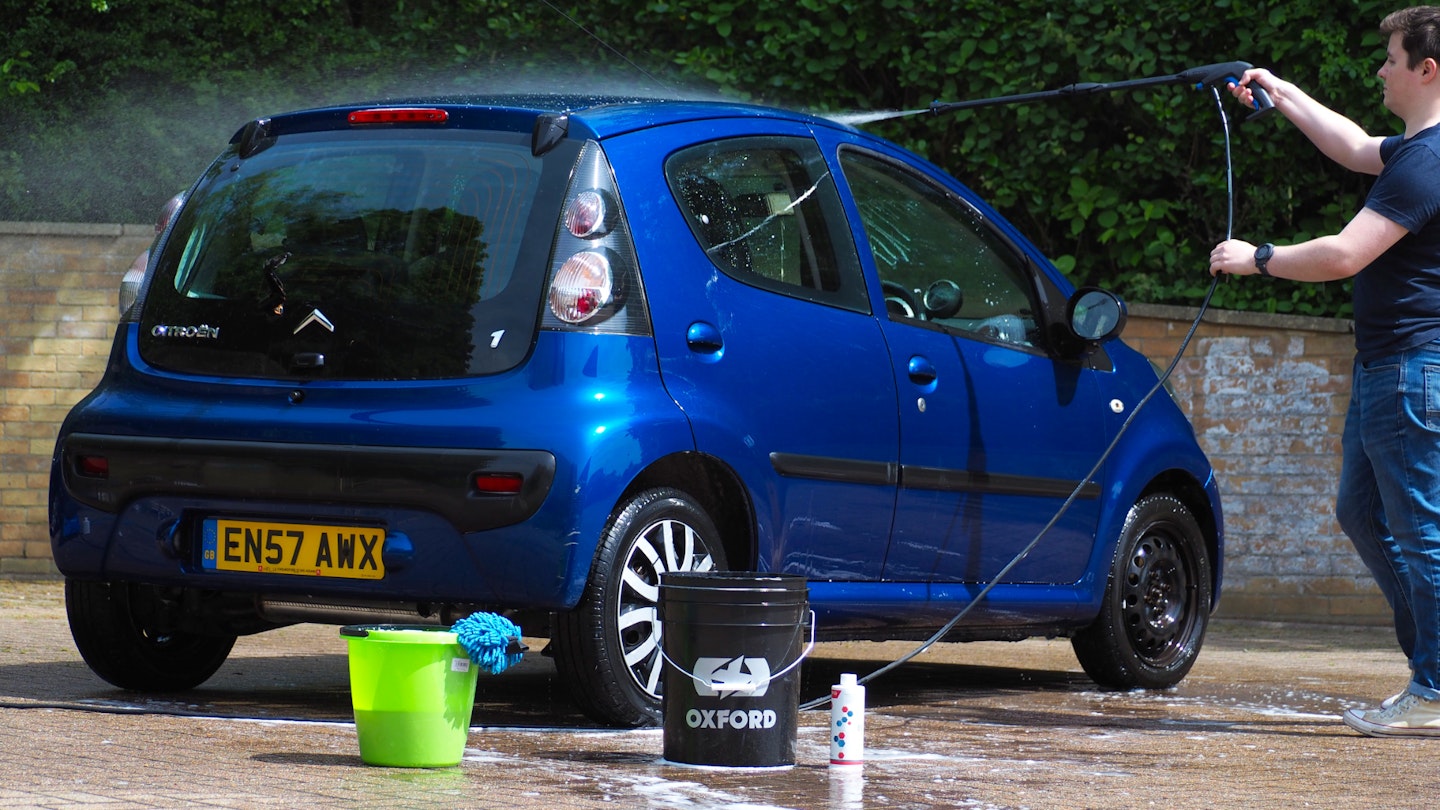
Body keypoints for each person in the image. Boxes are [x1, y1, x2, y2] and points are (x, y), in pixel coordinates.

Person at [1209, 6, 1440, 737]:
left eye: (1392, 59)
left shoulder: (1430, 162)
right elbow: (1348, 146)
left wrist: (1259, 257)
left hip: (1412, 370)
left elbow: (1345, 254)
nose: (1381, 70)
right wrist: (1279, 91)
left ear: (1427, 69)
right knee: (1360, 513)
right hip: (1387, 368)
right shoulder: (1413, 151)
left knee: (1423, 535)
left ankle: (1433, 690)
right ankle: (1431, 671)